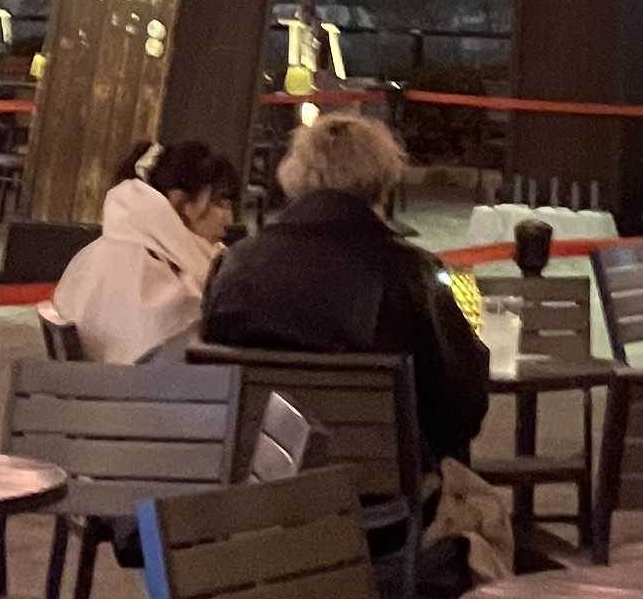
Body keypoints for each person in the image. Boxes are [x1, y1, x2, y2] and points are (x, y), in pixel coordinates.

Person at [199, 106, 490, 467]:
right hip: (381, 487)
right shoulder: (409, 272)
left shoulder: (234, 266)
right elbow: (463, 408)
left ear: (294, 175)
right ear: (381, 181)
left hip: (255, 483)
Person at [48, 138, 237, 363]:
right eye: (219, 203)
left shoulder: (112, 249)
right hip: (132, 384)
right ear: (180, 202)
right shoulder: (149, 272)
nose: (229, 219)